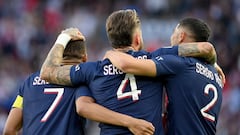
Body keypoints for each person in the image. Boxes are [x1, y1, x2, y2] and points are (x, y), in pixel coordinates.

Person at [40, 9, 219, 135]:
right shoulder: (157, 57)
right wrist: (211, 63)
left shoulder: (92, 70)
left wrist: (62, 38)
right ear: (137, 38)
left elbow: (47, 72)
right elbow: (203, 48)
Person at [3, 39, 155, 135]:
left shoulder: (29, 82)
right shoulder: (81, 82)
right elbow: (83, 107)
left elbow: (9, 130)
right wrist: (130, 122)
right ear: (84, 58)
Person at [104, 17, 224, 135]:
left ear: (181, 36)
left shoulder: (178, 63)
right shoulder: (216, 76)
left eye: (173, 32)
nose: (171, 37)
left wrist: (111, 53)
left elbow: (127, 65)